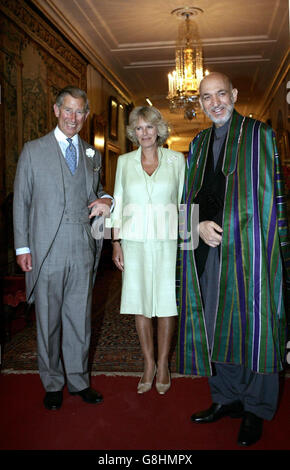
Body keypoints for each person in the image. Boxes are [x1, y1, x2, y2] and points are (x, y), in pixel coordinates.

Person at [177, 72, 290, 446]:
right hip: (207, 252)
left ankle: (256, 407)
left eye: (221, 94)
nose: (215, 103)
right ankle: (226, 398)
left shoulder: (260, 136)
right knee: (214, 327)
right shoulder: (197, 142)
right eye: (207, 97)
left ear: (234, 94)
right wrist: (197, 227)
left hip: (251, 253)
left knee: (255, 329)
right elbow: (188, 198)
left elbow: (272, 200)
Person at [13, 86, 112, 410]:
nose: (73, 117)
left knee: (79, 319)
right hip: (46, 248)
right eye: (67, 110)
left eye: (79, 111)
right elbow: (21, 202)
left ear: (85, 116)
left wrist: (107, 199)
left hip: (81, 247)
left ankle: (79, 381)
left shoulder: (91, 154)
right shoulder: (33, 150)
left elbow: (96, 192)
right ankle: (53, 382)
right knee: (48, 320)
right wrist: (22, 247)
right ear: (56, 110)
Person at [110, 106, 185, 394]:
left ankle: (164, 363)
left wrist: (186, 244)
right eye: (139, 128)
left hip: (168, 243)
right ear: (133, 132)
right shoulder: (125, 162)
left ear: (159, 130)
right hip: (134, 241)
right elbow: (117, 203)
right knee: (140, 304)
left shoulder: (177, 160)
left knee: (166, 304)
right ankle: (148, 364)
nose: (144, 133)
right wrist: (115, 242)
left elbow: (183, 202)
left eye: (150, 127)